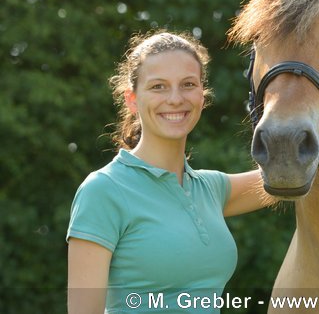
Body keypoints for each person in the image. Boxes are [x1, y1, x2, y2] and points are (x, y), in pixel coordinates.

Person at [67, 31, 274, 314]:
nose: (175, 98)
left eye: (188, 84)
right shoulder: (104, 190)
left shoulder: (210, 189)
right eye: (158, 87)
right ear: (132, 99)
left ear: (203, 95)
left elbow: (290, 176)